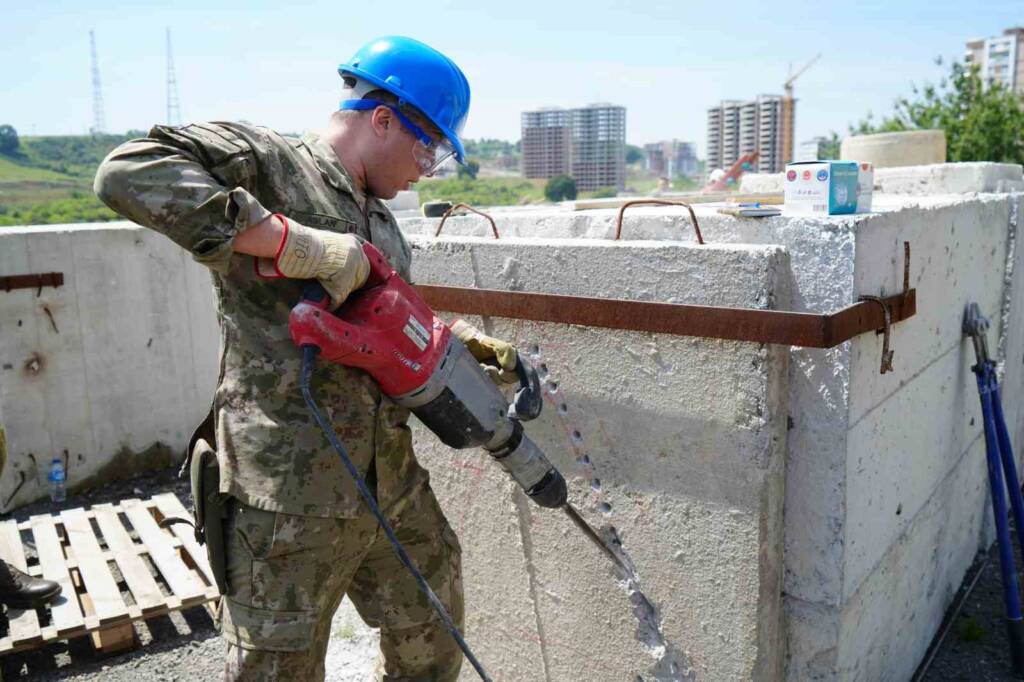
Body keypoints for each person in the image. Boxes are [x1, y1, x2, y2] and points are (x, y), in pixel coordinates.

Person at [94, 36, 517, 681]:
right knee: (276, 672)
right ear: (383, 120)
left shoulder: (383, 223)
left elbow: (384, 326)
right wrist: (288, 240)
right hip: (287, 504)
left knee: (434, 639)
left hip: (390, 488)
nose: (422, 172)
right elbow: (127, 170)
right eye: (426, 149)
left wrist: (452, 342)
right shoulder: (269, 164)